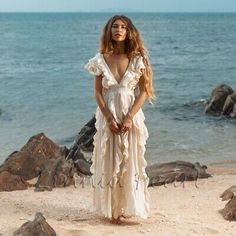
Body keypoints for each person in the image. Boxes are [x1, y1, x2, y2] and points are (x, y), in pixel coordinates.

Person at [85, 15, 155, 224]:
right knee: (110, 160)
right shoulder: (100, 59)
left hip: (130, 115)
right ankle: (114, 211)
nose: (118, 29)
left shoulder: (137, 58)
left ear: (128, 31)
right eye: (115, 26)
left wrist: (129, 117)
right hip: (109, 114)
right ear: (109, 31)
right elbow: (97, 92)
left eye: (123, 27)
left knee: (129, 160)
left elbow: (144, 92)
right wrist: (108, 117)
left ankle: (128, 206)